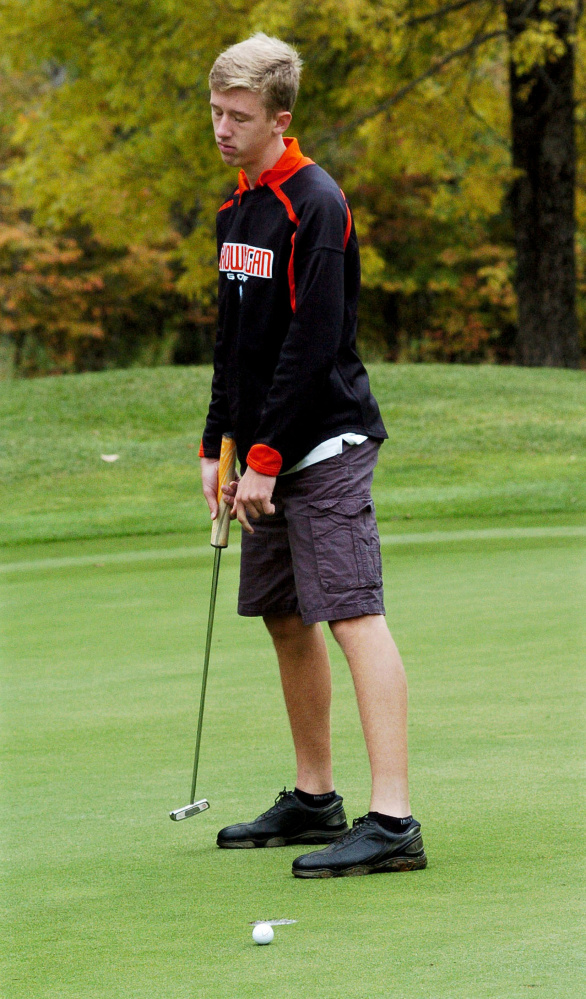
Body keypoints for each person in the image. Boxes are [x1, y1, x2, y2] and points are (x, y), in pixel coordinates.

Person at [199, 33, 426, 878]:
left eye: (239, 116)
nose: (222, 128)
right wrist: (215, 445)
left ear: (280, 119)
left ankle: (394, 820)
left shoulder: (315, 201)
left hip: (323, 444)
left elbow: (312, 338)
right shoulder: (237, 207)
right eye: (216, 112)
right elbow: (237, 341)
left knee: (351, 613)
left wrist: (263, 454)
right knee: (287, 617)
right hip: (259, 455)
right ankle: (314, 795)